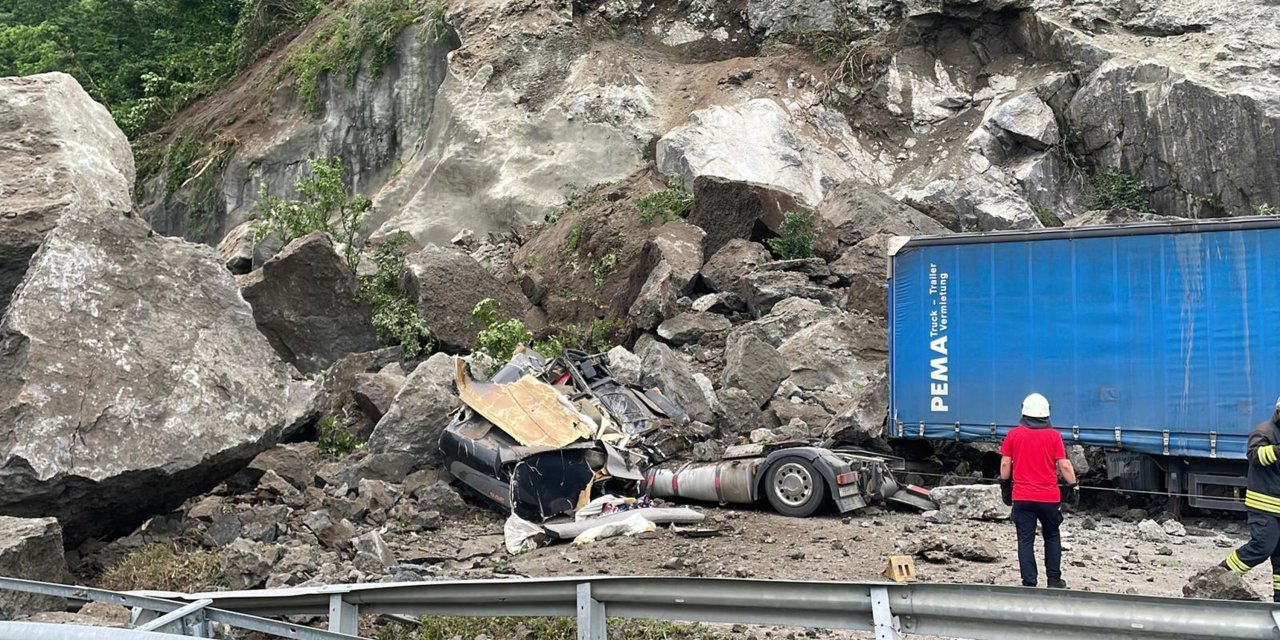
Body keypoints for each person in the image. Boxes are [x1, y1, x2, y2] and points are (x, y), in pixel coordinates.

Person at [999, 392, 1077, 588]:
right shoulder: (1054, 436)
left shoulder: (1013, 435)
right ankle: (1053, 580)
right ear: (1047, 414)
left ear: (1024, 412)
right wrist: (1074, 486)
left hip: (1022, 497)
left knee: (1025, 540)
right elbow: (1064, 465)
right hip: (1049, 498)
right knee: (1051, 536)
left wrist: (1005, 485)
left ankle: (1029, 582)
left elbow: (1005, 463)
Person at [1219, 397, 1280, 602]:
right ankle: (1220, 575)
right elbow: (1255, 457)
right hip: (1264, 506)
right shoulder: (1264, 431)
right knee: (1262, 547)